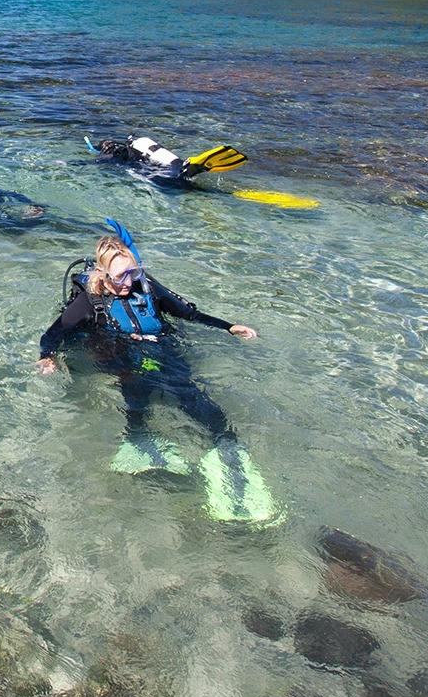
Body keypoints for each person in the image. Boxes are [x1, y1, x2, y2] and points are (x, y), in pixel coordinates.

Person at [35, 220, 275, 522]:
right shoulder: (88, 303)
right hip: (124, 359)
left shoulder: (144, 286)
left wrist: (227, 326)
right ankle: (138, 439)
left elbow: (186, 312)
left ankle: (227, 451)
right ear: (104, 274)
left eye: (133, 272)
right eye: (121, 275)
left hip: (162, 351)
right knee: (137, 394)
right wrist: (47, 356)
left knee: (195, 399)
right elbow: (55, 332)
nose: (128, 281)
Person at [87, 135, 246, 189]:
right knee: (182, 178)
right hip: (169, 163)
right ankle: (190, 168)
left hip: (155, 172)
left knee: (172, 183)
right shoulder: (136, 146)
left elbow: (102, 163)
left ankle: (189, 172)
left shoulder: (114, 152)